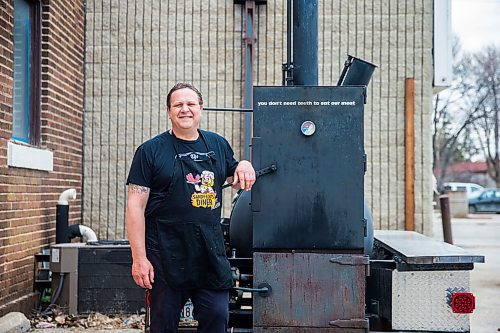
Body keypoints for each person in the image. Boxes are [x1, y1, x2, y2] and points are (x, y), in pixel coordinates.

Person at [125, 82, 256, 333]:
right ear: (168, 111)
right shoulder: (150, 151)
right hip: (164, 254)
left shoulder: (217, 144)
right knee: (163, 324)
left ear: (201, 108)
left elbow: (234, 173)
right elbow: (134, 208)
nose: (185, 109)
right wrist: (139, 259)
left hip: (208, 252)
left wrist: (245, 164)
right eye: (178, 105)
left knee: (217, 315)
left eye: (190, 104)